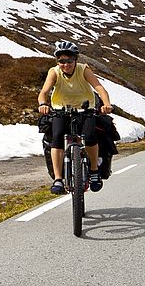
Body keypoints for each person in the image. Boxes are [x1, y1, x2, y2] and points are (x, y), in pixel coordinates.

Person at [38, 40, 113, 195]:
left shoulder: (83, 70)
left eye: (69, 61)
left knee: (91, 136)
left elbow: (99, 88)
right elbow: (44, 92)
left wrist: (106, 104)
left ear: (75, 60)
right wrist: (42, 104)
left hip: (85, 109)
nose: (65, 64)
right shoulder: (54, 72)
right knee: (57, 138)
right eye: (62, 61)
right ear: (57, 61)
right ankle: (58, 179)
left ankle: (93, 171)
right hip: (61, 109)